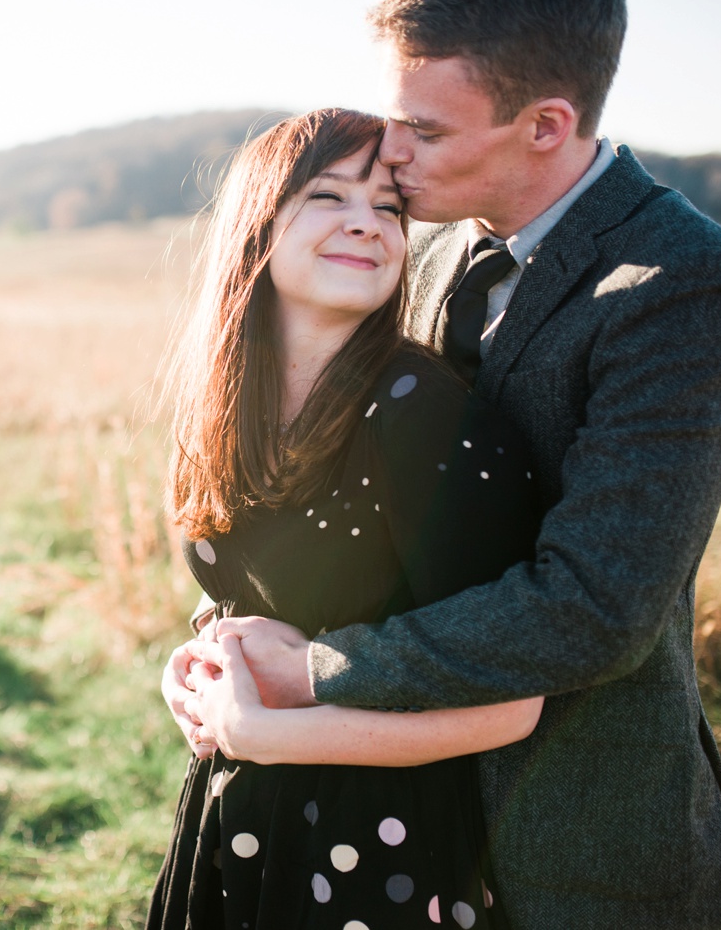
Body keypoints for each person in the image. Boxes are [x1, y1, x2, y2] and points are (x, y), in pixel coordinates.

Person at [170, 0, 721, 927]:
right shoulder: (429, 240)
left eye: (422, 128)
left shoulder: (682, 285)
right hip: (370, 809)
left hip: (570, 831)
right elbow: (343, 492)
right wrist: (226, 643)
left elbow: (594, 608)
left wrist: (313, 674)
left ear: (545, 126)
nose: (390, 154)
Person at [147, 107, 545, 930]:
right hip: (238, 819)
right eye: (329, 196)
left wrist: (265, 733)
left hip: (379, 854)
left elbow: (512, 704)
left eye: (390, 207)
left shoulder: (420, 411)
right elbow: (245, 594)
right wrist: (192, 671)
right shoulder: (223, 402)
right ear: (257, 222)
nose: (367, 222)